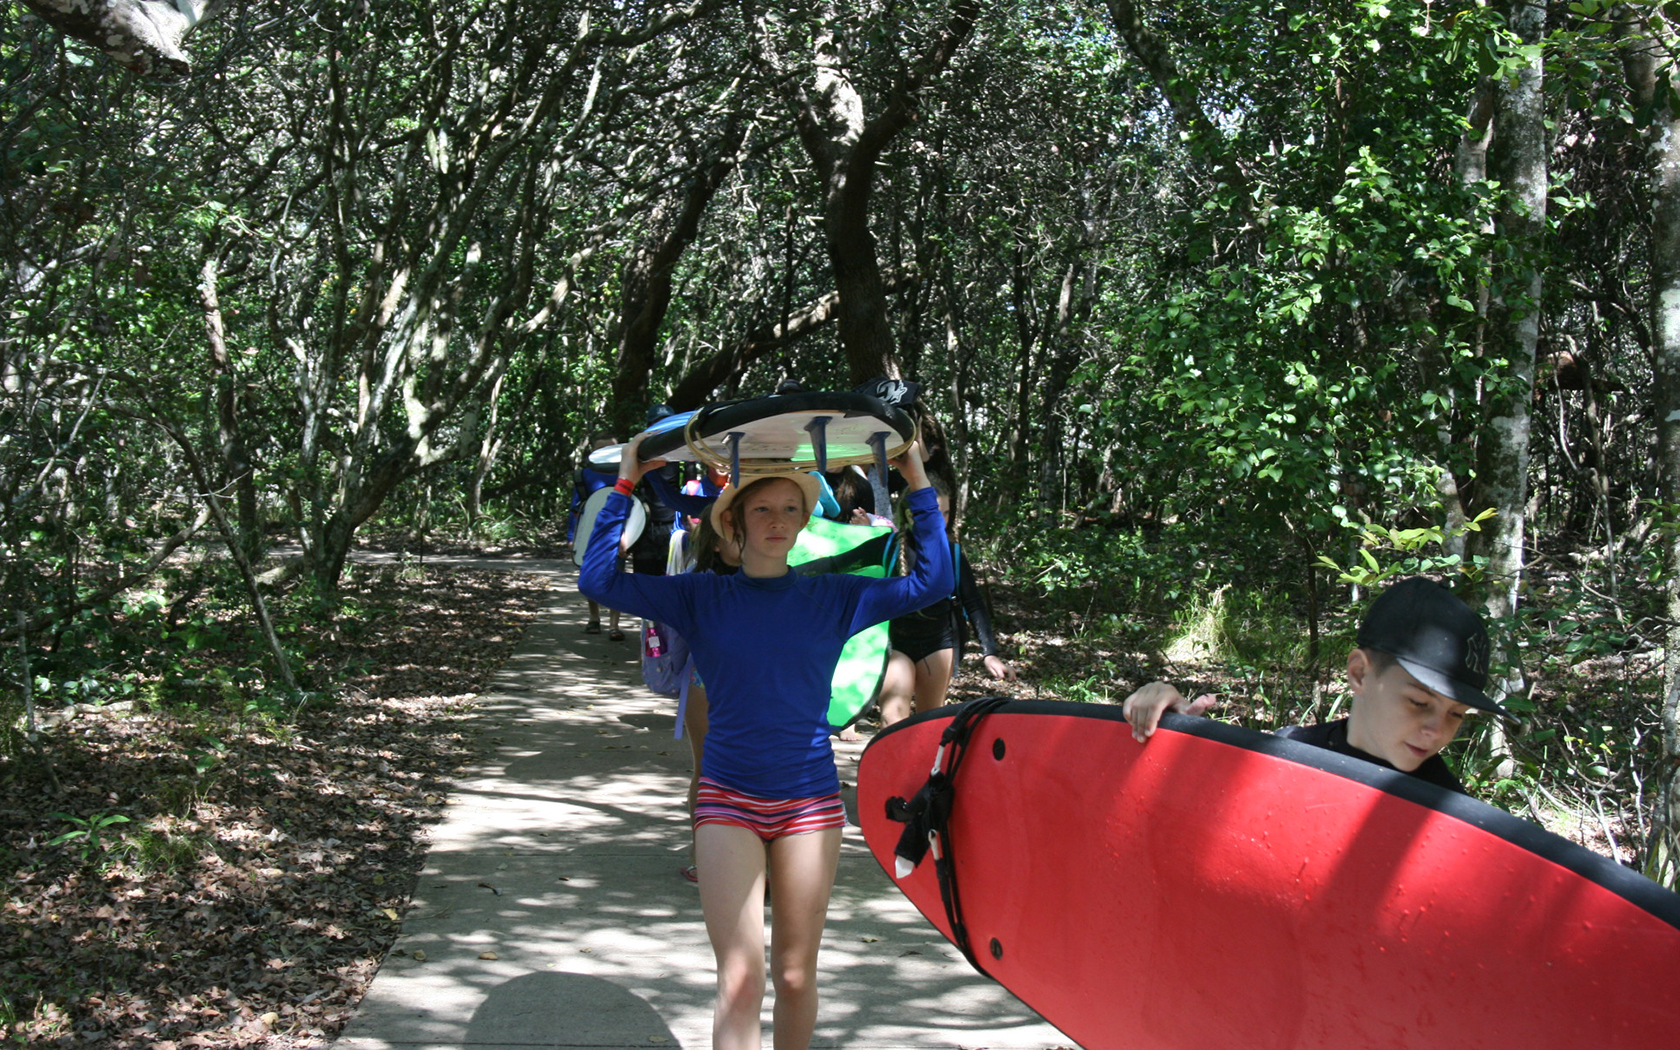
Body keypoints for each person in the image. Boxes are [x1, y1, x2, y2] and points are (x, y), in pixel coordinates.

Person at [579, 431, 953, 1050]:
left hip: (809, 805)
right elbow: (599, 582)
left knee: (795, 974)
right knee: (740, 979)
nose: (776, 521)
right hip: (727, 799)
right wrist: (624, 482)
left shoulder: (834, 595)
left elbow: (932, 582)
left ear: (806, 521)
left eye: (789, 509)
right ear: (734, 522)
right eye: (761, 509)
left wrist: (916, 480)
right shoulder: (702, 596)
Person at [1120, 576, 1508, 793]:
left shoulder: (1447, 810)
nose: (1437, 730)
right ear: (1359, 674)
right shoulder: (1291, 749)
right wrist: (1176, 731)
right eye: (1419, 702)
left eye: (1456, 714)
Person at [877, 478, 1017, 727]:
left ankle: (920, 767)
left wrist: (990, 653)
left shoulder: (952, 553)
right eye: (934, 513)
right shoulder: (887, 546)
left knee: (927, 722)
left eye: (946, 513)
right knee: (892, 717)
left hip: (938, 642)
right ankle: (894, 765)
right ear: (911, 515)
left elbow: (973, 603)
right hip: (896, 641)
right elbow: (840, 562)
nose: (941, 520)